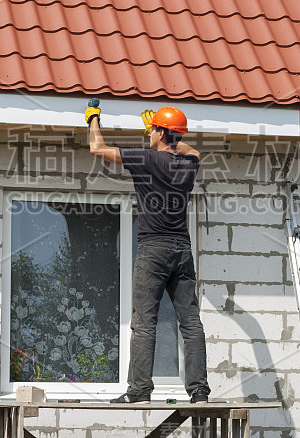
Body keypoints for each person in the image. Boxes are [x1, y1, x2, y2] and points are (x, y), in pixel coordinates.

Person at [86, 102, 211, 404]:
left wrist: (93, 118)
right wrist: (169, 136)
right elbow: (193, 153)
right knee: (191, 323)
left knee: (144, 321)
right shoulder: (188, 166)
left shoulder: (146, 159)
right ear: (177, 136)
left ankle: (140, 391)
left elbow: (96, 147)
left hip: (153, 249)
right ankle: (199, 392)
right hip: (182, 251)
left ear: (157, 132)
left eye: (152, 129)